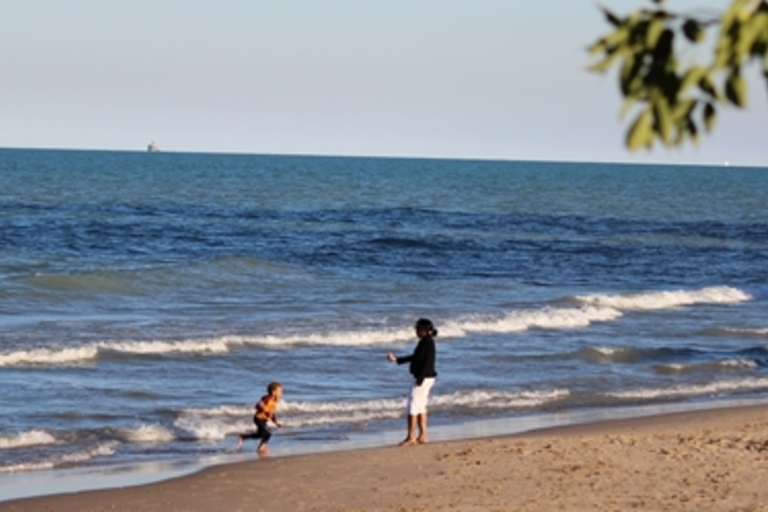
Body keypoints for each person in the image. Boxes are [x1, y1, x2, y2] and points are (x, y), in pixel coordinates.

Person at [387, 318, 438, 446]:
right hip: (428, 377)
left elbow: (427, 362)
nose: (416, 331)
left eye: (418, 329)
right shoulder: (426, 342)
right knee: (420, 406)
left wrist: (420, 378)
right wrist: (397, 360)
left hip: (424, 377)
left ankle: (411, 437)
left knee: (413, 406)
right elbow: (415, 357)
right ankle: (423, 436)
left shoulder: (426, 343)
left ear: (424, 330)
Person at [235, 381, 283, 454]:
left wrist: (276, 422)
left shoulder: (274, 401)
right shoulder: (267, 398)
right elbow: (257, 405)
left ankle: (243, 437)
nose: (281, 394)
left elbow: (272, 413)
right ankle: (261, 447)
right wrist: (262, 407)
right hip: (258, 418)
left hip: (264, 420)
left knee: (260, 435)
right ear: (273, 392)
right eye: (280, 392)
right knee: (268, 433)